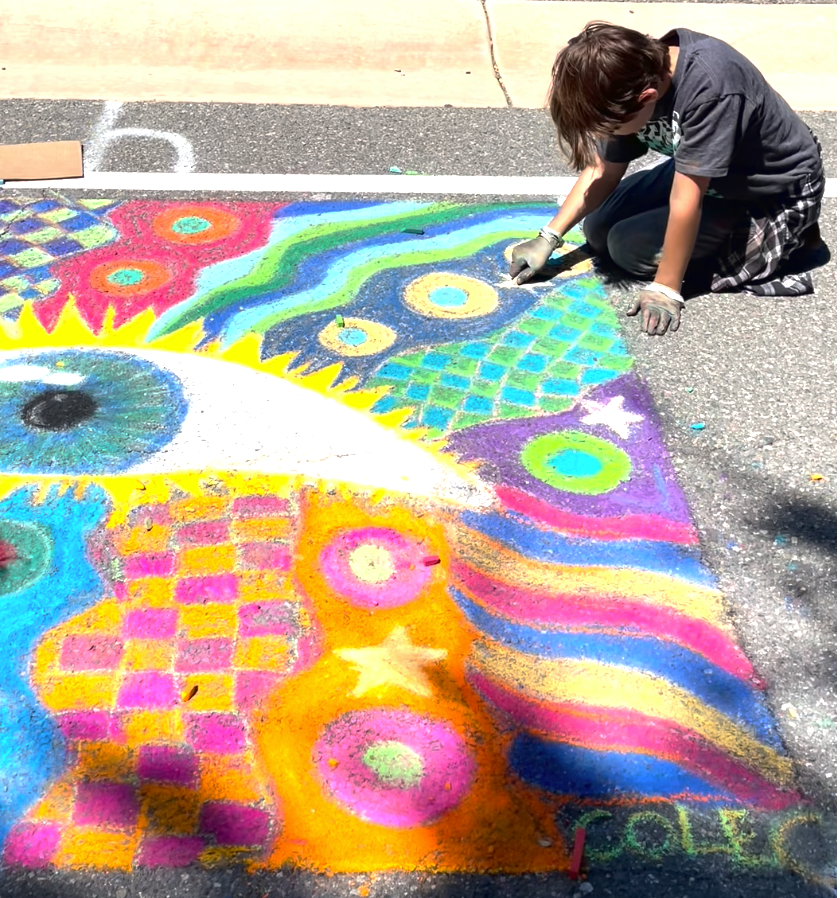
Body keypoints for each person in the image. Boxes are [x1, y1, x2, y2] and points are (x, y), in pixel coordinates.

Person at [509, 23, 825, 335]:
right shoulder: (625, 77)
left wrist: (666, 287)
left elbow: (685, 201)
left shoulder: (711, 90)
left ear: (646, 98)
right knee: (597, 229)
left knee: (626, 248)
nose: (603, 136)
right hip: (709, 176)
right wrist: (549, 236)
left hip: (767, 193)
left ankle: (784, 242)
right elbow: (603, 169)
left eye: (609, 129)